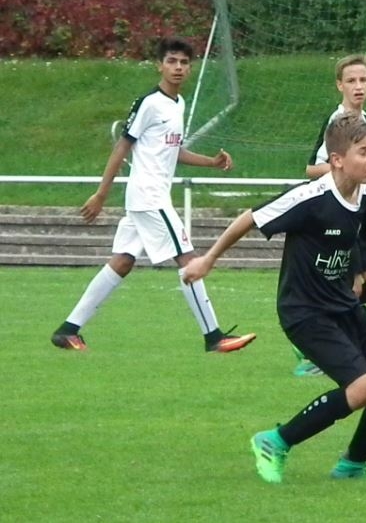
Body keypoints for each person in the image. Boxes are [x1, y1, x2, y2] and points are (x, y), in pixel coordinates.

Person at [182, 115, 366, 483]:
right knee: (365, 387)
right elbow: (249, 218)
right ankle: (275, 441)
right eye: (363, 152)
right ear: (337, 159)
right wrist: (208, 259)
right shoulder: (310, 198)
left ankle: (352, 465)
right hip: (305, 313)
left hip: (344, 307)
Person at [50, 37, 256, 353]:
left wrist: (211, 162)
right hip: (149, 197)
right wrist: (101, 194)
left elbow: (174, 150)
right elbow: (122, 147)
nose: (178, 67)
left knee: (122, 262)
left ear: (190, 68)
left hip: (149, 198)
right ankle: (214, 337)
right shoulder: (149, 103)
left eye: (184, 62)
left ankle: (68, 330)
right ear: (159, 65)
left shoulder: (178, 104)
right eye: (171, 61)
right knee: (188, 259)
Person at [293, 54, 366, 377]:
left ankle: (325, 331)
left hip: (358, 213)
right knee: (357, 285)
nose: (358, 86)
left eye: (363, 80)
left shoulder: (363, 120)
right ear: (339, 85)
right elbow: (312, 168)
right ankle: (317, 349)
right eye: (351, 81)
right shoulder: (337, 123)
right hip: (336, 214)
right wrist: (350, 171)